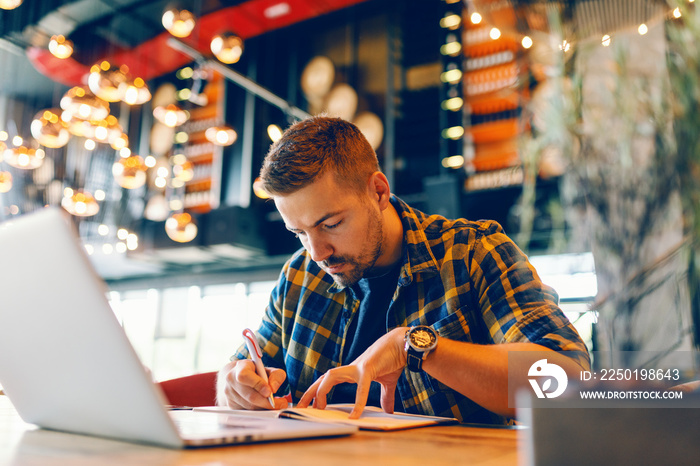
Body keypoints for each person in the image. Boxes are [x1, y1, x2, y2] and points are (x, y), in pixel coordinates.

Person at [216, 115, 590, 424]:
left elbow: (567, 383)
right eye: (299, 232)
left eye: (330, 224)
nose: (317, 252)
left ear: (378, 191)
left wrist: (412, 346)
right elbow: (244, 368)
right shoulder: (299, 275)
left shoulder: (473, 253)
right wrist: (235, 384)